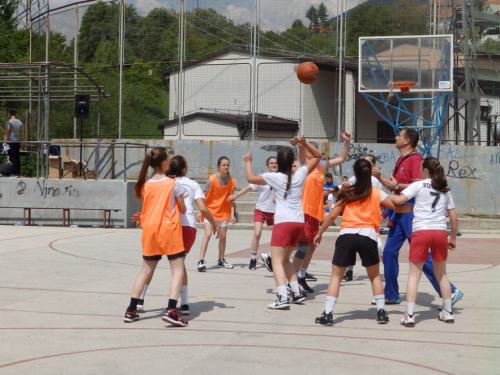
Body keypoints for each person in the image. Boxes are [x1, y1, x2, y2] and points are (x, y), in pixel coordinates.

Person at [313, 158, 412, 326]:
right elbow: (397, 207)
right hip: (368, 236)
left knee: (336, 277)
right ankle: (381, 313)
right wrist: (416, 207)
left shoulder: (347, 192)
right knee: (374, 277)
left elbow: (331, 215)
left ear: (355, 174)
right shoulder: (377, 193)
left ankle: (328, 314)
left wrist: (319, 232)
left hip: (347, 235)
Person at [373, 128, 463, 306]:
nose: (395, 137)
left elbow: (417, 185)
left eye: (399, 135)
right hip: (397, 215)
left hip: (410, 215)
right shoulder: (401, 159)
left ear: (407, 141)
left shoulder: (416, 160)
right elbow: (395, 187)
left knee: (422, 257)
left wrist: (394, 186)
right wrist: (379, 177)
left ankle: (451, 291)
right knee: (389, 252)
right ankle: (391, 293)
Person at [131, 155, 220, 315]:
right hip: (183, 227)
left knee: (149, 267)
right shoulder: (189, 184)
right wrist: (214, 224)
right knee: (179, 266)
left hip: (159, 225)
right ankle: (182, 304)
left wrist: (144, 218)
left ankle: (139, 301)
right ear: (184, 169)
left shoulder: (157, 183)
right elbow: (202, 208)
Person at [245, 136, 321, 309]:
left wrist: (248, 161)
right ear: (292, 161)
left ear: (278, 163)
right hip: (298, 223)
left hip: (283, 223)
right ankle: (295, 292)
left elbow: (250, 178)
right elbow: (317, 156)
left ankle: (282, 297)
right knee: (286, 260)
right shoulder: (300, 173)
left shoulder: (273, 177)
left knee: (277, 261)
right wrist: (303, 143)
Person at [389, 157, 458, 327]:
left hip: (421, 231)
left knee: (414, 275)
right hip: (440, 232)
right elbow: (454, 218)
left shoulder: (418, 184)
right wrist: (453, 238)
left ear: (425, 170)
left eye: (421, 168)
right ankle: (448, 312)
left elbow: (398, 201)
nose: (419, 170)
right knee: (442, 274)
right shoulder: (444, 189)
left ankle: (409, 315)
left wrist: (380, 196)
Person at [125, 147, 188, 327]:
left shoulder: (145, 185)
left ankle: (131, 310)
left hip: (150, 229)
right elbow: (182, 209)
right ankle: (171, 311)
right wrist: (181, 199)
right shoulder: (173, 183)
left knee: (144, 271)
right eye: (167, 158)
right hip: (168, 230)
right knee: (177, 270)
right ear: (164, 163)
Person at [292, 132, 351, 293]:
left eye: (316, 148)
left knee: (312, 245)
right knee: (303, 246)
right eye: (313, 148)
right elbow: (303, 151)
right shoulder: (303, 163)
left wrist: (347, 142)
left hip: (314, 211)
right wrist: (301, 143)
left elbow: (341, 159)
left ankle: (301, 277)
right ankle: (291, 279)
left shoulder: (320, 165)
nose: (315, 150)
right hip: (303, 209)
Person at [228, 156, 277, 270]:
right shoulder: (262, 178)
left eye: (276, 163)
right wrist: (236, 195)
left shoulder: (281, 177)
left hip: (275, 211)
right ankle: (253, 258)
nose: (274, 165)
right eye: (271, 163)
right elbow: (248, 188)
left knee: (276, 236)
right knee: (257, 233)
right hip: (261, 209)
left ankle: (271, 257)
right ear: (268, 165)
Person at [342, 154, 384, 282]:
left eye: (367, 162)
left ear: (373, 166)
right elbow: (345, 186)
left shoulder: (376, 182)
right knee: (351, 247)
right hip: (354, 219)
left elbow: (382, 199)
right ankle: (349, 270)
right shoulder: (355, 179)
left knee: (379, 246)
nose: (363, 164)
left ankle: (385, 270)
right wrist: (340, 187)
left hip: (370, 219)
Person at [197, 156, 236, 271]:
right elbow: (202, 196)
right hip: (210, 212)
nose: (226, 167)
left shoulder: (232, 181)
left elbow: (232, 199)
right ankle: (201, 261)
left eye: (228, 165)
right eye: (223, 165)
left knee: (223, 237)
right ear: (218, 166)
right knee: (208, 234)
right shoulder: (212, 179)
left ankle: (221, 260)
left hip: (223, 212)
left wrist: (232, 215)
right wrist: (200, 211)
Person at [4, 110, 24, 177]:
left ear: (10, 115)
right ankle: (18, 172)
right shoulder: (20, 122)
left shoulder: (9, 122)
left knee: (11, 157)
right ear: (16, 114)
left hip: (11, 142)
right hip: (17, 141)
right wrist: (21, 142)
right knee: (17, 157)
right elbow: (22, 133)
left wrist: (5, 142)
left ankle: (13, 172)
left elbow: (7, 132)